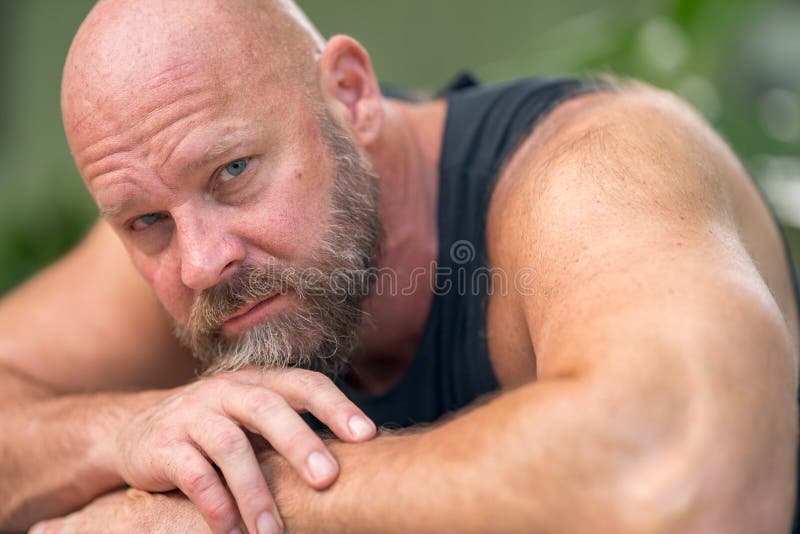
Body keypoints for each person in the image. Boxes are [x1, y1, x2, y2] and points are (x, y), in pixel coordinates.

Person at [0, 0, 797, 532]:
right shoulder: (199, 240)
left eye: (235, 171)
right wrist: (114, 433)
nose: (203, 262)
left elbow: (689, 477)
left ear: (350, 96)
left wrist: (226, 501)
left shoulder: (585, 175)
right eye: (144, 222)